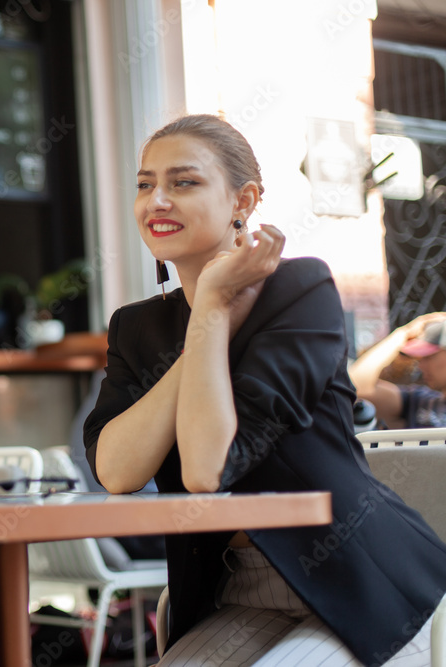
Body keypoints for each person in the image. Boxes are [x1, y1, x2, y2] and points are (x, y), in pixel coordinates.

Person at [83, 113, 446, 666]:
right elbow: (117, 470)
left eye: (183, 182)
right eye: (144, 184)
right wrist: (209, 312)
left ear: (243, 201)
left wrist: (209, 309)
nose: (157, 200)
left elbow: (208, 469)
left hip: (363, 586)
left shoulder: (301, 290)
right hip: (233, 592)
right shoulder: (136, 328)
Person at [349, 313, 446, 428]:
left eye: (428, 357)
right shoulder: (420, 402)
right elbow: (356, 386)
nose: (421, 366)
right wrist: (402, 334)